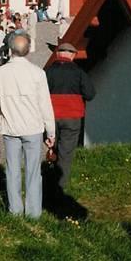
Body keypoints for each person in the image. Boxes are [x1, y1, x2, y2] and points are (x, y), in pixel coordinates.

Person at [0, 32, 55, 219]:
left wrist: (0, 122)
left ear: (10, 50)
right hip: (33, 128)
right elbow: (45, 106)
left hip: (10, 128)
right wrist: (51, 132)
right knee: (33, 172)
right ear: (28, 50)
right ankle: (33, 213)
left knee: (12, 171)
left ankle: (15, 211)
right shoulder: (37, 73)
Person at [44, 43, 95, 193]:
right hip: (72, 116)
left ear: (58, 54)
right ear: (72, 55)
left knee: (52, 146)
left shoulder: (48, 72)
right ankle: (60, 187)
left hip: (51, 116)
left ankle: (49, 178)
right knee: (66, 152)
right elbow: (90, 94)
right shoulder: (79, 72)